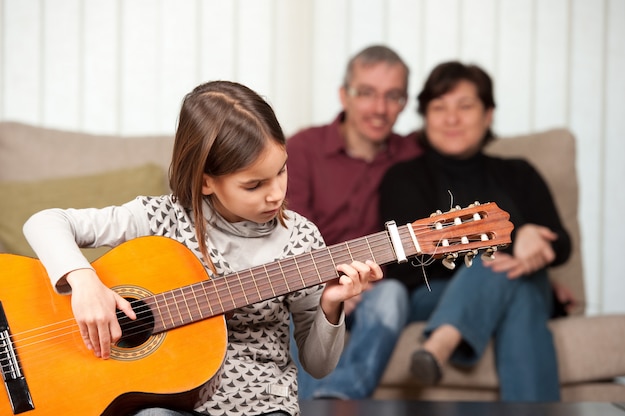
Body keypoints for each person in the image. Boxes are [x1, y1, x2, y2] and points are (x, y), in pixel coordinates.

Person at [23, 80, 383, 416]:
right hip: (169, 403)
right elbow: (44, 222)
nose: (276, 193)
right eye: (254, 184)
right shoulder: (159, 218)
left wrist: (331, 305)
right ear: (206, 181)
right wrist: (84, 283)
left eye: (282, 171)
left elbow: (318, 366)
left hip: (262, 404)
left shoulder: (301, 239)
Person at [379, 61, 571, 402]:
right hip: (432, 294)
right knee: (514, 281)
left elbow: (562, 243)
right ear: (425, 117)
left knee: (516, 279)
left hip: (519, 283)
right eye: (439, 108)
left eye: (465, 106)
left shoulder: (520, 172)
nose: (452, 119)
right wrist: (514, 244)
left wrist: (531, 237)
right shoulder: (403, 177)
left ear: (488, 114)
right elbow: (407, 262)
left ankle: (441, 341)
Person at [286, 45, 422, 399]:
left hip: (377, 288)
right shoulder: (302, 149)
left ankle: (336, 401)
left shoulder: (415, 157)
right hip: (313, 285)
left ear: (405, 103)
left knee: (393, 295)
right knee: (290, 302)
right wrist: (332, 286)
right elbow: (288, 236)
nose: (380, 109)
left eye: (393, 96)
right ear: (344, 95)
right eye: (367, 94)